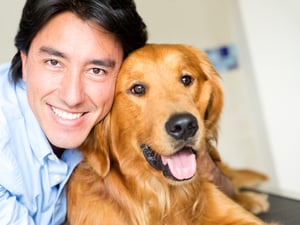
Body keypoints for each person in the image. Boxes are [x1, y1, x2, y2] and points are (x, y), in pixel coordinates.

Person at [0, 0, 233, 224]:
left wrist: (202, 160)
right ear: (25, 61)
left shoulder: (110, 121)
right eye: (53, 62)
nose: (72, 97)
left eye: (97, 70)